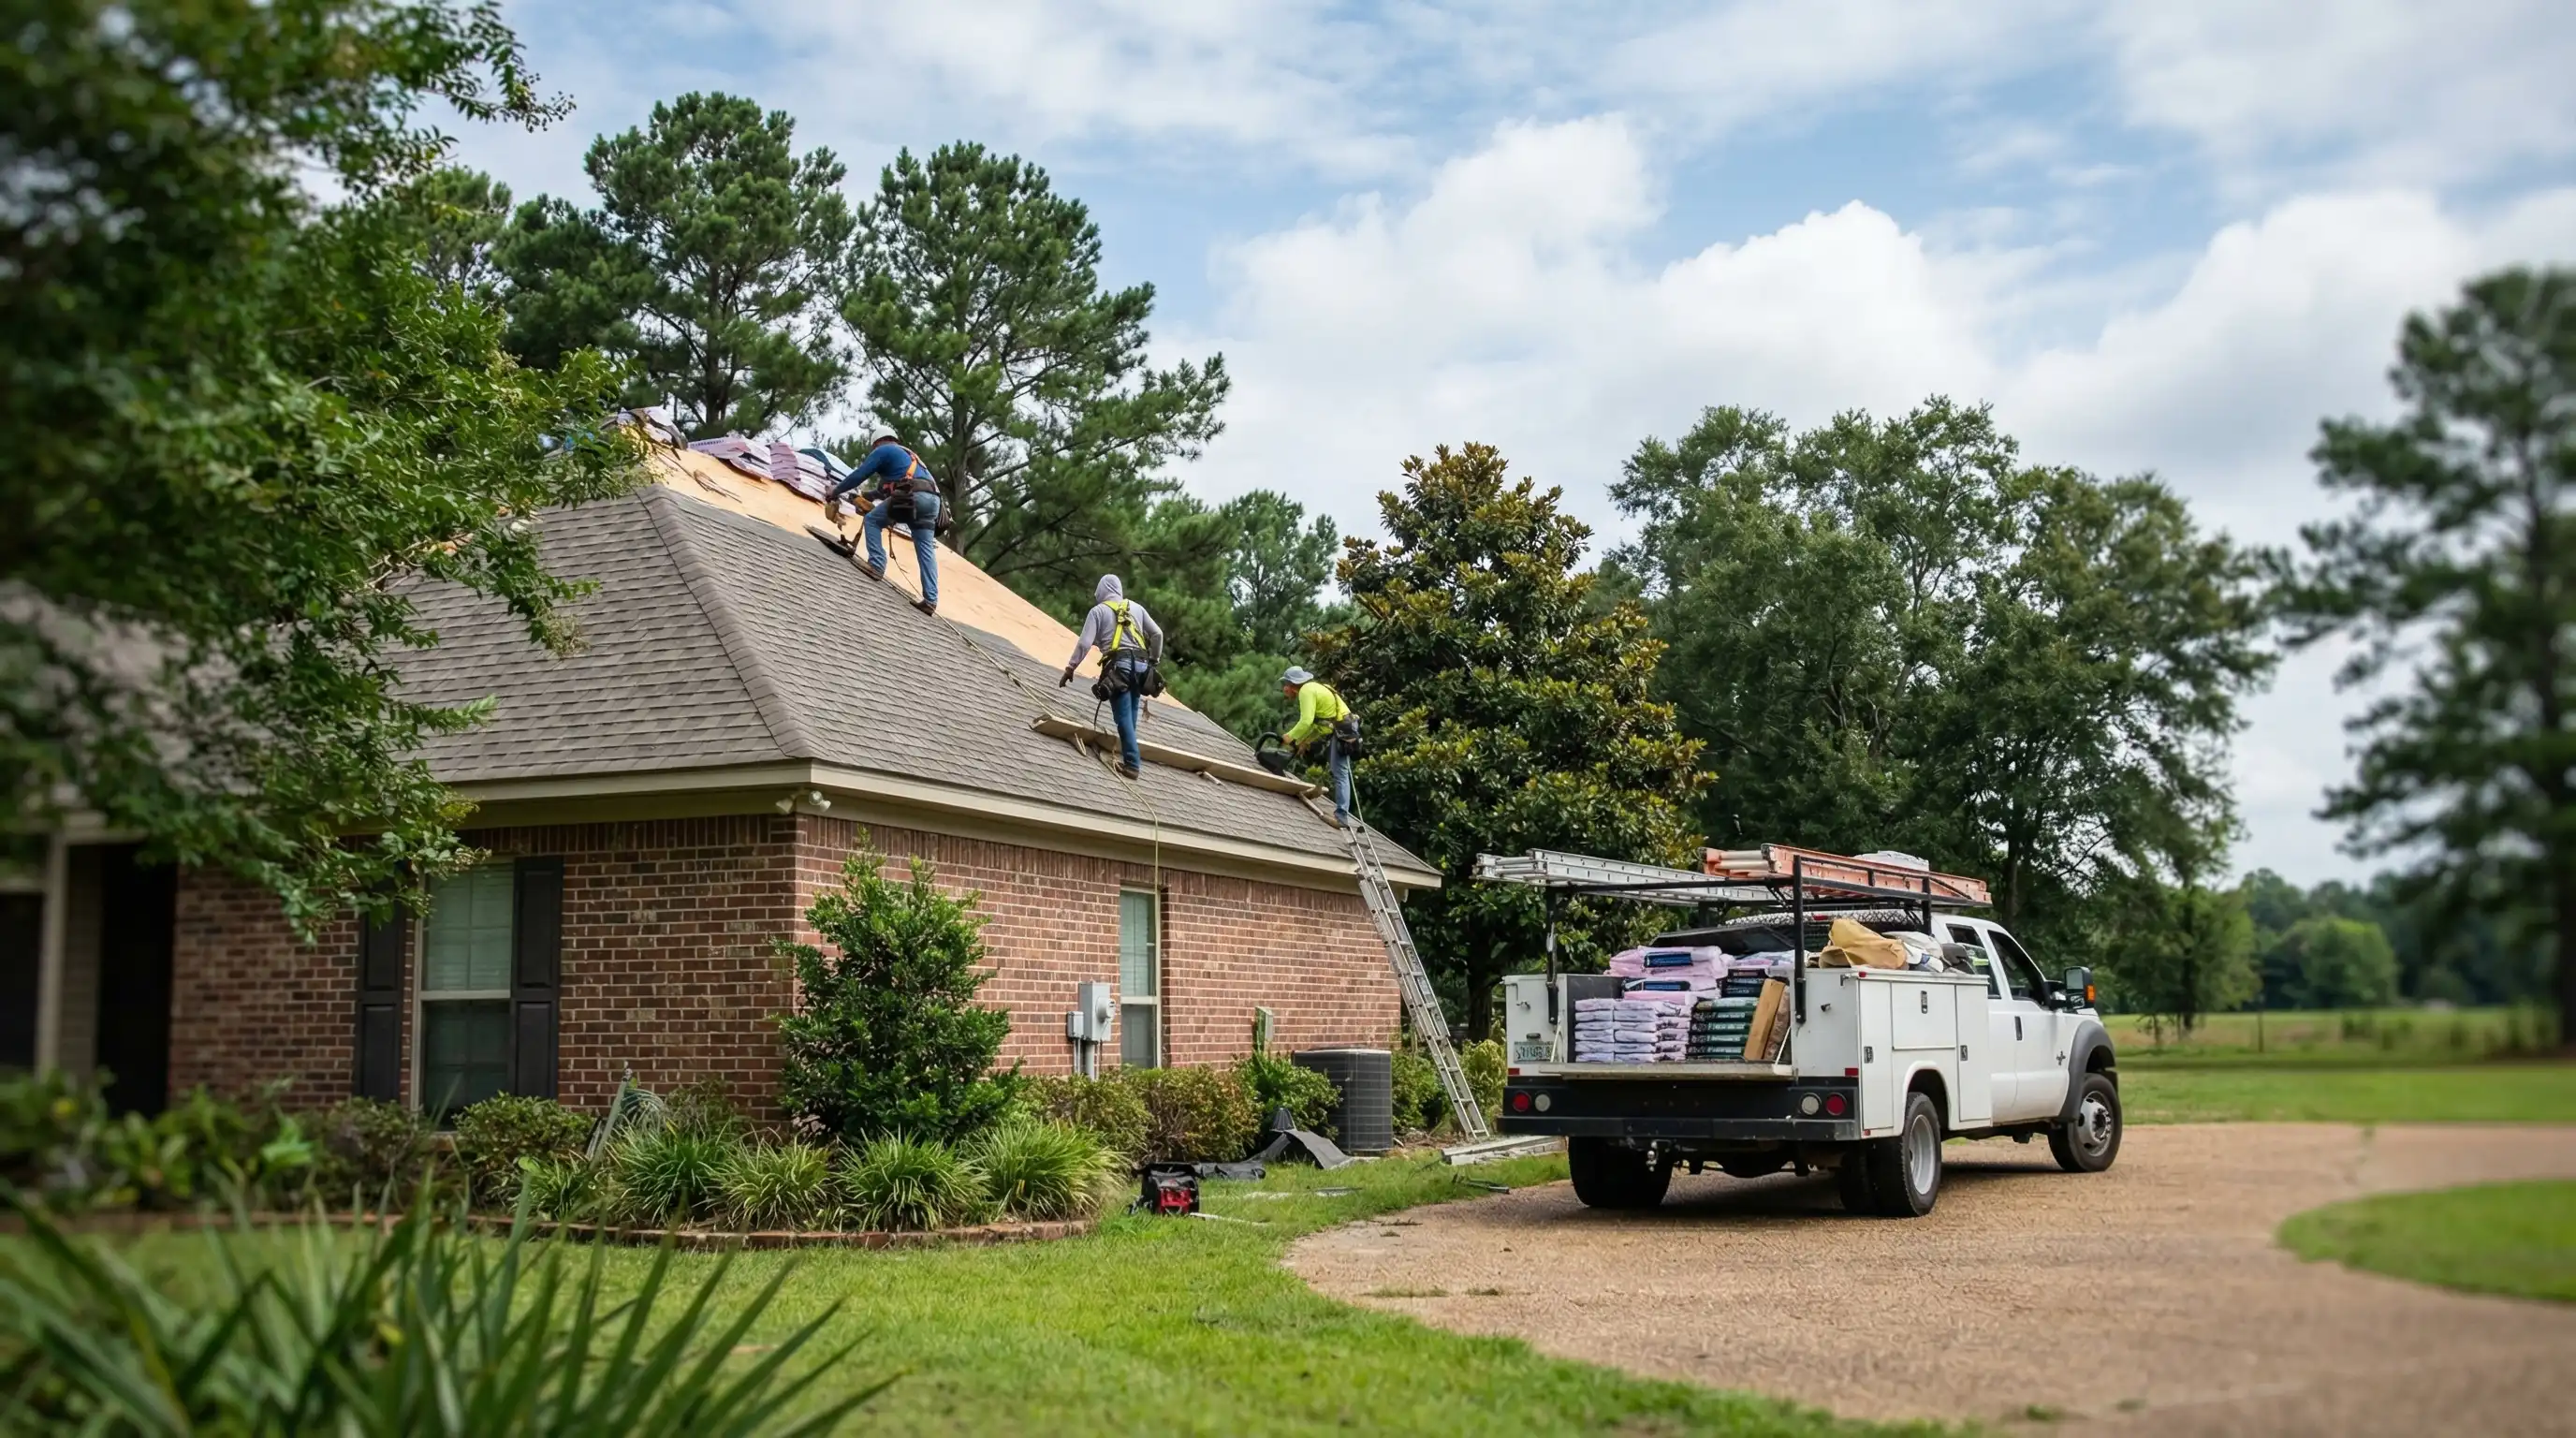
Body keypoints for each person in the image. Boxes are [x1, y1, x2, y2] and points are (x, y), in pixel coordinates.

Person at [826, 429, 941, 616]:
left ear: (877, 443)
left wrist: (836, 490)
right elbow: (881, 492)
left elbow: (860, 474)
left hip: (913, 496)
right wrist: (861, 497)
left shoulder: (884, 450)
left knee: (872, 520)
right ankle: (930, 600)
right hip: (932, 503)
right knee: (925, 547)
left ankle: (877, 565)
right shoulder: (909, 458)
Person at [1060, 575, 1163, 779]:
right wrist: (1154, 659)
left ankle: (1132, 765)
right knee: (1131, 714)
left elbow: (1084, 644)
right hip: (1141, 667)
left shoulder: (1098, 611)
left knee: (1123, 717)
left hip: (1119, 667)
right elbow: (1157, 634)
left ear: (1101, 590)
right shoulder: (1136, 608)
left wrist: (1070, 668)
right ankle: (1128, 758)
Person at [1280, 667, 1357, 828]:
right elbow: (1323, 727)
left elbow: (1306, 721)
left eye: (1285, 685)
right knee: (1337, 769)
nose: (1284, 690)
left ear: (1292, 685)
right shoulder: (1314, 688)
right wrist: (1306, 741)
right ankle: (1339, 812)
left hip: (1344, 729)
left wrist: (1290, 736)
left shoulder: (1306, 691)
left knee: (1340, 772)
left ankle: (1341, 818)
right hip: (1344, 727)